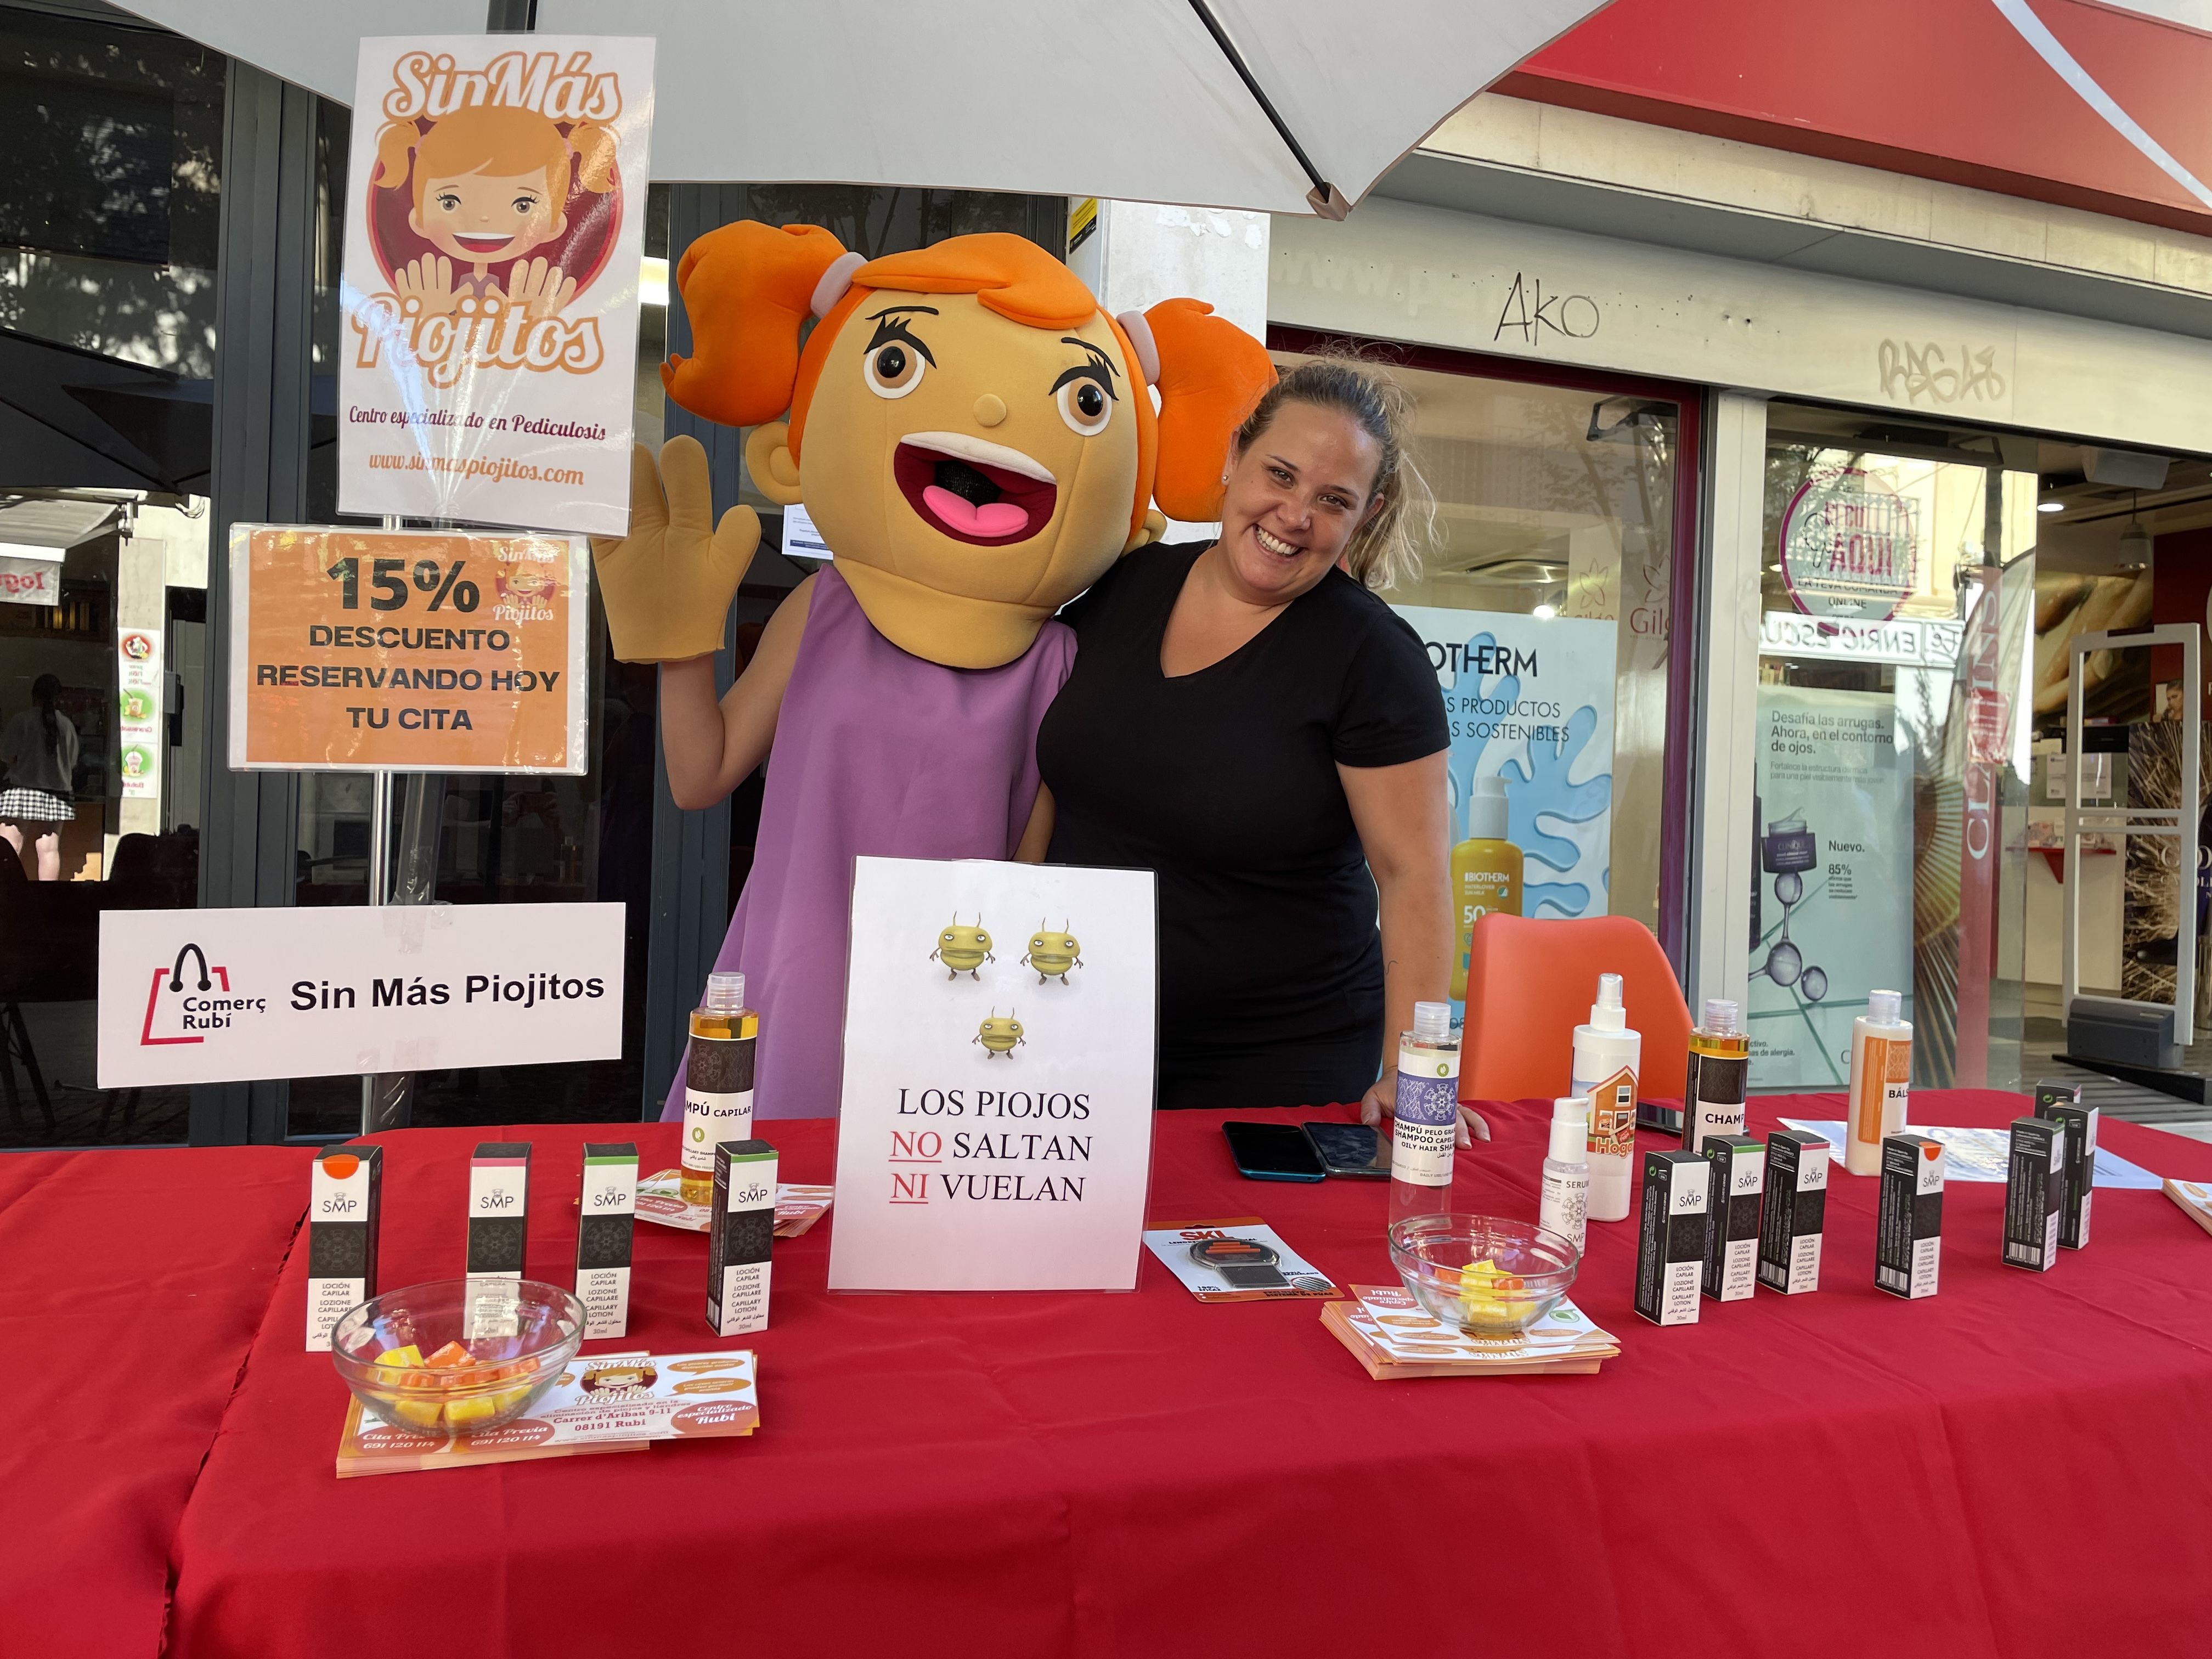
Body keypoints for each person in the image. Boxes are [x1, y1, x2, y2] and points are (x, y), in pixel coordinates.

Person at [586, 221, 1274, 1121]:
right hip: (793, 979)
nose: (987, 414)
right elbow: (701, 774)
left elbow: (1033, 876)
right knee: (757, 1230)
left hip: (951, 1008)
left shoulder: (1059, 665)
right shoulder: (824, 609)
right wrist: (680, 643)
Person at [1034, 359, 1477, 1138]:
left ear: (1363, 519)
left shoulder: (1372, 657)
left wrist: (1415, 1071)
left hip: (1274, 1073)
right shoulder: (1124, 586)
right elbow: (1049, 785)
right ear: (1236, 455)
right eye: (1281, 473)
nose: (1295, 514)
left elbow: (1414, 878)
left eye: (1332, 500)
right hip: (1077, 1043)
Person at [374, 102, 617, 317]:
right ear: (418, 220)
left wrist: (530, 323)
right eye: (450, 203)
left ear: (555, 226)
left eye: (523, 206)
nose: (484, 218)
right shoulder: (431, 293)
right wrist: (431, 318)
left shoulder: (533, 296)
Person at [0, 674, 78, 881]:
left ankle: (7, 897)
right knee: (49, 849)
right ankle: (47, 899)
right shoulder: (67, 725)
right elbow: (72, 763)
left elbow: (6, 755)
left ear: (33, 695)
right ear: (58, 698)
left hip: (22, 789)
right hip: (58, 793)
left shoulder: (22, 720)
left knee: (9, 846)